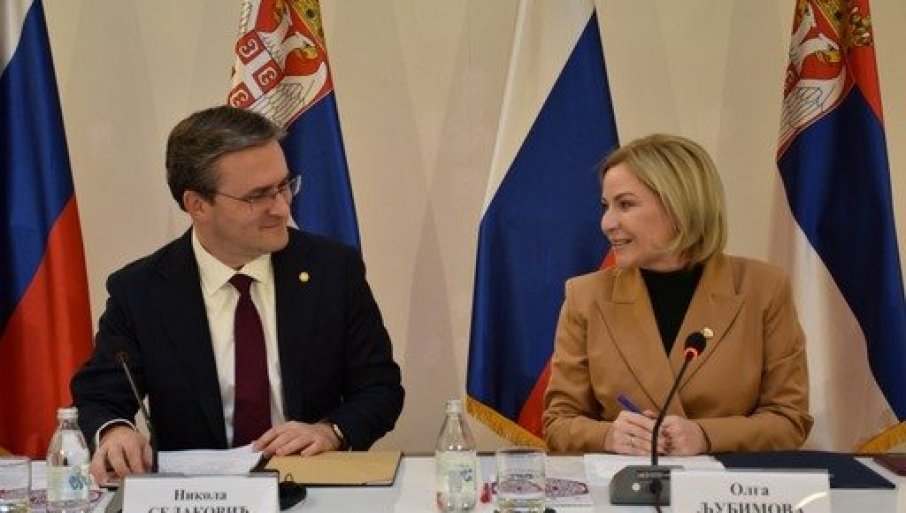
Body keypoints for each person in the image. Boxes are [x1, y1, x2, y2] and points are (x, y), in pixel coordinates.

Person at [71, 106, 404, 482]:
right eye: (258, 196)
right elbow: (99, 396)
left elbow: (379, 388)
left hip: (308, 486)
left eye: (284, 186)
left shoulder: (333, 270)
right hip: (195, 497)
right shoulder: (140, 290)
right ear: (197, 205)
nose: (281, 208)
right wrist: (115, 431)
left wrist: (330, 431)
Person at [542, 134, 812, 455]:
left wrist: (706, 436)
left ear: (680, 206)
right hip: (626, 483)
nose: (606, 223)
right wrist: (608, 436)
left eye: (625, 204)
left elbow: (789, 420)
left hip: (727, 485)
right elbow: (558, 423)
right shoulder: (585, 295)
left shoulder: (764, 288)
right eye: (606, 206)